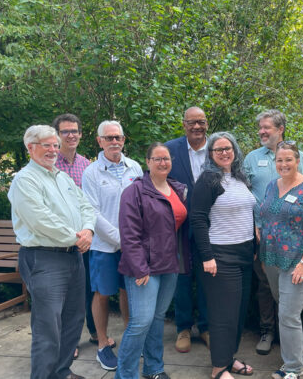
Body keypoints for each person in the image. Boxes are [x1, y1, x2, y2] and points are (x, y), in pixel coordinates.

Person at [9, 125, 95, 379]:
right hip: (44, 258)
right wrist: (76, 238)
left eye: (55, 145)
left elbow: (86, 206)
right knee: (48, 327)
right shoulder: (24, 180)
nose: (53, 150)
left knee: (73, 319)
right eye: (46, 145)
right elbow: (40, 220)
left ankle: (61, 372)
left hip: (72, 256)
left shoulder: (62, 177)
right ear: (30, 148)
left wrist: (88, 230)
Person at [243, 109, 303, 355]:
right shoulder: (252, 158)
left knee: (291, 289)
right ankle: (267, 331)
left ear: (280, 129)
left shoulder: (299, 156)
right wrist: (254, 224)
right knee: (265, 284)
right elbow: (244, 191)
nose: (262, 132)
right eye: (260, 128)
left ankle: (291, 338)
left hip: (294, 238)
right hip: (260, 234)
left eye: (267, 128)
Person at [115, 142, 190, 379]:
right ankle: (125, 375)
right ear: (147, 163)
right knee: (140, 322)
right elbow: (129, 234)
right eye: (156, 158)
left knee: (157, 318)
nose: (162, 162)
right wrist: (139, 268)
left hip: (170, 264)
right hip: (144, 267)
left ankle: (153, 369)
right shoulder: (134, 192)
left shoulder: (177, 189)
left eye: (166, 158)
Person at [258, 141, 303, 379]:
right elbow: (265, 217)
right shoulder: (271, 186)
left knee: (288, 314)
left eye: (288, 159)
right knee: (286, 312)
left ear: (298, 161)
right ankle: (295, 359)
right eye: (279, 160)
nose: (284, 164)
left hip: (300, 263)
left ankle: (293, 368)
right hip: (272, 261)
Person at [190, 132, 257, 379]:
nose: (224, 153)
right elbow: (197, 218)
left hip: (244, 254)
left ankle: (229, 358)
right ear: (210, 154)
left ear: (235, 150)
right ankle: (219, 368)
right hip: (220, 255)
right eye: (218, 150)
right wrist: (207, 257)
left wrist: (254, 250)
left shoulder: (240, 178)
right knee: (223, 315)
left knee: (238, 313)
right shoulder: (208, 180)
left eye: (227, 148)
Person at [82, 120, 143, 370]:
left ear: (124, 139)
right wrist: (120, 239)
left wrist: (134, 240)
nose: (114, 142)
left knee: (129, 291)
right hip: (104, 246)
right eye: (109, 138)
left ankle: (129, 342)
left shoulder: (135, 168)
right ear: (99, 141)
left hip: (132, 245)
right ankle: (102, 345)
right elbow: (92, 212)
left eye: (118, 137)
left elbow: (142, 205)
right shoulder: (91, 172)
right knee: (103, 293)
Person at [166, 106, 210, 352]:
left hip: (210, 227)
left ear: (206, 124)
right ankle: (183, 328)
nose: (196, 126)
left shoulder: (217, 149)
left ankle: (205, 327)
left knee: (207, 276)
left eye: (201, 122)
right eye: (191, 122)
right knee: (181, 278)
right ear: (183, 124)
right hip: (178, 227)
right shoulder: (170, 149)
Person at [52, 113, 95, 358]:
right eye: (65, 131)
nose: (71, 135)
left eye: (74, 131)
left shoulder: (86, 164)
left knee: (85, 291)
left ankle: (92, 332)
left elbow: (89, 203)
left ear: (80, 134)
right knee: (62, 294)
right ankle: (69, 342)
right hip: (59, 241)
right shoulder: (49, 164)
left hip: (85, 239)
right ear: (57, 135)